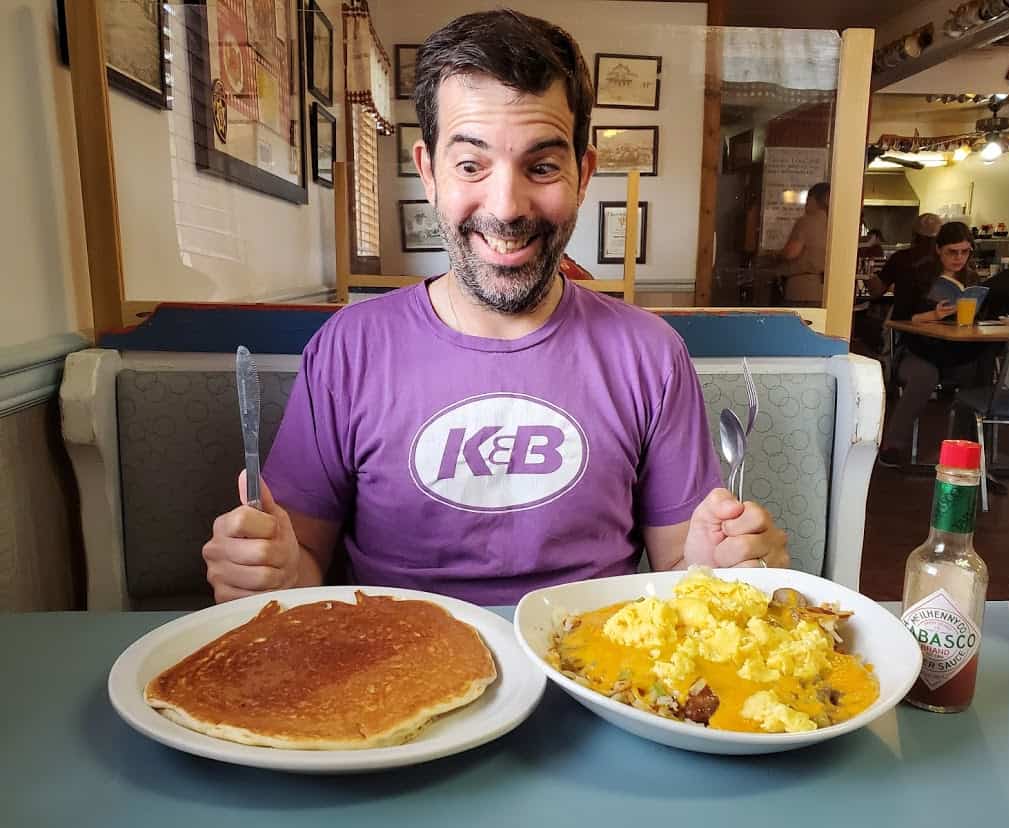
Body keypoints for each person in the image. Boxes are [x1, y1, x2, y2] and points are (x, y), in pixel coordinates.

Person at [202, 10, 788, 606]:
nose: (506, 206)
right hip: (386, 672)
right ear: (428, 171)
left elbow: (678, 567)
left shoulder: (651, 355)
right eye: (470, 165)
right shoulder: (348, 348)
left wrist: (716, 568)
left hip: (593, 673)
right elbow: (301, 566)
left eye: (541, 166)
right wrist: (265, 571)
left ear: (583, 175)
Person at [878, 221, 995, 468]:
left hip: (954, 350)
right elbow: (900, 318)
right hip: (918, 349)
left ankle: (968, 447)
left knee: (980, 369)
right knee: (925, 377)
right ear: (938, 250)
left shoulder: (972, 278)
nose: (959, 258)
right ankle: (892, 445)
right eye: (953, 252)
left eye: (965, 252)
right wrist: (934, 315)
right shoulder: (916, 275)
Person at [866, 213, 941, 300]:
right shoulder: (944, 260)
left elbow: (876, 291)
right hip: (937, 312)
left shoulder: (900, 258)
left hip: (904, 312)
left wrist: (867, 272)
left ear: (914, 236)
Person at [778, 182, 829, 305]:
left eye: (807, 200)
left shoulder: (806, 222)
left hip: (801, 289)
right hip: (824, 290)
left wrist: (776, 255)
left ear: (813, 200)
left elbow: (792, 252)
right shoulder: (834, 224)